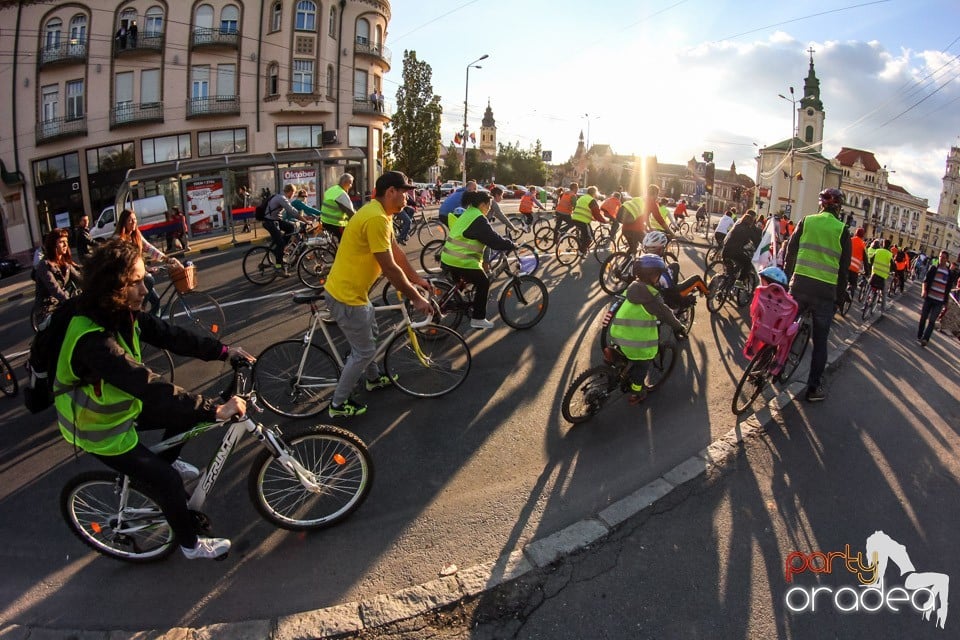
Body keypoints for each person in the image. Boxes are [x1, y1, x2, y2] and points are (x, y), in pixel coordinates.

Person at [55, 238, 251, 560]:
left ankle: (162, 464)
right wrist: (214, 408)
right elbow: (146, 386)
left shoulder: (120, 312)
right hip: (99, 429)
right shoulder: (92, 340)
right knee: (169, 481)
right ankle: (190, 545)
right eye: (135, 282)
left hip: (117, 408)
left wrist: (224, 351)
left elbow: (169, 334)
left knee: (187, 416)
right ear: (113, 286)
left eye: (144, 279)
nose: (145, 290)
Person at [323, 171, 433, 418]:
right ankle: (338, 405)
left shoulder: (379, 213)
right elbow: (389, 267)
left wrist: (417, 280)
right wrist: (415, 296)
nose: (408, 196)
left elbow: (397, 254)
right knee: (362, 352)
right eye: (404, 192)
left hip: (353, 293)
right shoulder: (376, 219)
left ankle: (373, 379)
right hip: (346, 296)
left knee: (370, 334)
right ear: (391, 192)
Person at [784, 188, 852, 403]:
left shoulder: (807, 221)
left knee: (786, 326)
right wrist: (839, 300)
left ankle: (770, 363)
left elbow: (790, 250)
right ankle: (813, 388)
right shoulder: (842, 230)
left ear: (821, 205)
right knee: (821, 342)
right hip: (825, 292)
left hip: (800, 285)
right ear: (839, 208)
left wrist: (788, 277)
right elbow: (843, 271)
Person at [608, 254, 686, 404]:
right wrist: (679, 327)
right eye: (658, 274)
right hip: (635, 342)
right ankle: (637, 392)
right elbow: (666, 314)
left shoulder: (632, 288)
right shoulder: (652, 297)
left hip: (617, 333)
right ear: (653, 276)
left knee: (627, 357)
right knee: (644, 362)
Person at [440, 190, 518, 330]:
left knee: (464, 285)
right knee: (483, 282)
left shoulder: (469, 213)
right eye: (488, 206)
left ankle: (459, 302)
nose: (489, 209)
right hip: (460, 260)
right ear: (482, 204)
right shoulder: (478, 218)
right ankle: (478, 318)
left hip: (448, 257)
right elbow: (493, 240)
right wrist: (511, 244)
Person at [114, 209, 179, 314]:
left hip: (138, 273)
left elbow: (149, 248)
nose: (133, 222)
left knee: (156, 302)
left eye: (134, 219)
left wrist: (166, 259)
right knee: (149, 280)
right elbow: (124, 261)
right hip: (126, 277)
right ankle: (139, 311)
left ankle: (151, 326)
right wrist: (145, 270)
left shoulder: (136, 235)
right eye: (130, 220)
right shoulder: (119, 239)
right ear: (124, 222)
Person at [641, 231, 708, 308]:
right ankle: (709, 294)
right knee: (697, 279)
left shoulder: (639, 264)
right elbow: (672, 292)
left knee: (675, 265)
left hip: (653, 293)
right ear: (660, 249)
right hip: (669, 297)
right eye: (663, 247)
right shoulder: (662, 272)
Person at [35, 228, 82, 323]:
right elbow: (55, 290)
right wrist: (70, 303)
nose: (65, 245)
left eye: (66, 241)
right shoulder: (44, 265)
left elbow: (80, 279)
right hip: (48, 310)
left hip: (62, 305)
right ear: (53, 244)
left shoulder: (65, 264)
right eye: (61, 242)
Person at [917, 250, 959, 347]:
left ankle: (925, 339)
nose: (941, 259)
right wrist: (924, 290)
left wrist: (946, 302)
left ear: (947, 259)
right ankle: (920, 335)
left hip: (939, 301)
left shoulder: (949, 273)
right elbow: (925, 281)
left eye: (943, 257)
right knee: (923, 317)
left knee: (932, 321)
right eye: (940, 257)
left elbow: (948, 288)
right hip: (929, 298)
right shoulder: (933, 268)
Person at [261, 184, 301, 274]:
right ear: (290, 191)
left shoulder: (281, 196)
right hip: (269, 222)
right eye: (294, 193)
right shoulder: (281, 198)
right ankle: (278, 267)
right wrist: (306, 220)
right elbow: (292, 211)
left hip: (275, 220)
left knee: (291, 227)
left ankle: (280, 248)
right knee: (280, 244)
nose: (293, 195)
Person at [720, 209, 761, 283]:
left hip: (725, 251)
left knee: (730, 274)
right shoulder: (748, 229)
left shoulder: (737, 225)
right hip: (735, 252)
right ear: (751, 222)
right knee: (747, 263)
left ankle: (726, 283)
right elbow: (755, 241)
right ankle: (739, 282)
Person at [319, 174, 356, 239]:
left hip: (325, 221)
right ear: (345, 183)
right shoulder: (341, 194)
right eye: (351, 184)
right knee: (346, 241)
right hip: (335, 223)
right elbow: (350, 211)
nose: (351, 186)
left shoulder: (332, 189)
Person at [571, 186, 606, 254]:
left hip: (575, 218)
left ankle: (582, 246)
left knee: (589, 235)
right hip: (582, 221)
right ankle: (581, 251)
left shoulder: (582, 197)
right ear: (594, 193)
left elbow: (583, 210)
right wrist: (605, 221)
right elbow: (597, 215)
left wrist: (591, 218)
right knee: (589, 239)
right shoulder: (591, 200)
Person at [847, 227, 867, 301]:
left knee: (841, 281)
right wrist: (867, 272)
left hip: (846, 265)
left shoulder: (850, 240)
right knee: (853, 284)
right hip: (854, 269)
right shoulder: (863, 244)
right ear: (863, 235)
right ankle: (849, 296)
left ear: (856, 233)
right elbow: (865, 259)